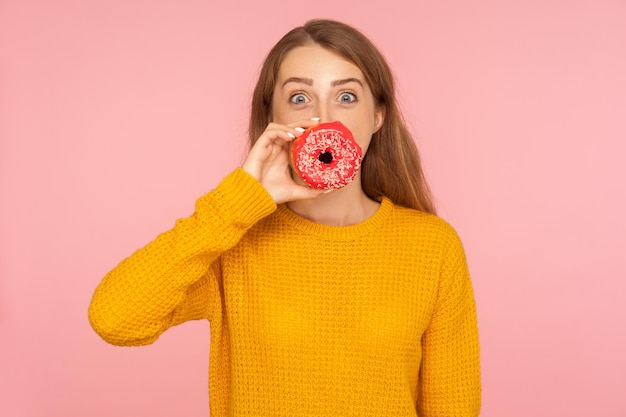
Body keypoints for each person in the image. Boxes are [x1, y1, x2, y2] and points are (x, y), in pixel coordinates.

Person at [89, 19, 481, 416]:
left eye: (346, 97)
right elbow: (115, 318)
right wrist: (237, 202)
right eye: (299, 98)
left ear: (378, 116)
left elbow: (453, 408)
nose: (324, 118)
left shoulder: (433, 247)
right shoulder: (233, 240)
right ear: (272, 116)